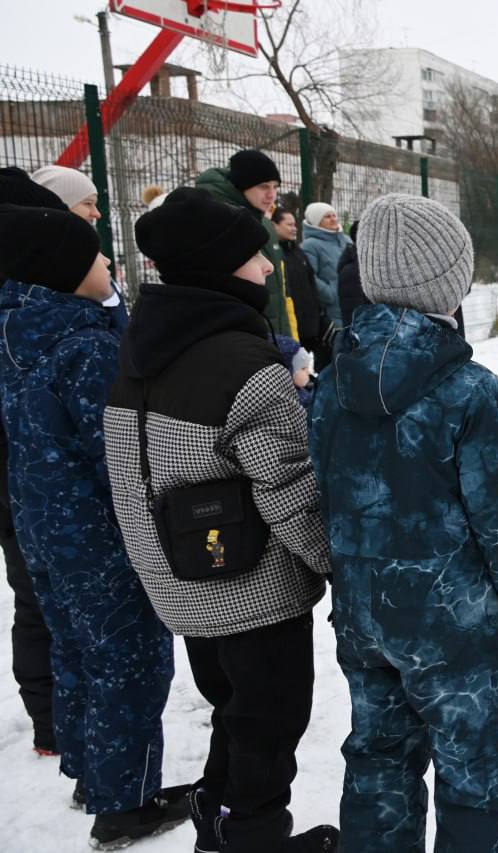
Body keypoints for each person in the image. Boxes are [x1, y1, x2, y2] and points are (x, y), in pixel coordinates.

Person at [310, 194, 498, 852]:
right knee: (473, 770)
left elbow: (324, 491)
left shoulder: (334, 381)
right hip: (457, 628)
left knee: (378, 759)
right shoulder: (469, 391)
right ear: (446, 281)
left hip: (366, 617)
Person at [104, 188, 339, 853]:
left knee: (233, 710)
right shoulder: (247, 368)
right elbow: (293, 494)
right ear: (217, 268)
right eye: (251, 257)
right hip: (254, 590)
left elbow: (127, 471)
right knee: (270, 721)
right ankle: (258, 836)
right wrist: (339, 561)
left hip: (181, 580)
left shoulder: (140, 353)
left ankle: (217, 816)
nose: (267, 269)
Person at [0, 204, 185, 848]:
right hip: (103, 537)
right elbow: (121, 455)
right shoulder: (85, 347)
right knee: (131, 663)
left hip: (42, 529)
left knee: (77, 652)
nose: (108, 263)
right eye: (93, 254)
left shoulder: (16, 335)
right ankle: (126, 804)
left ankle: (91, 774)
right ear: (59, 271)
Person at [0, 167, 64, 760]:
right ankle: (49, 720)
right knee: (37, 597)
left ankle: (52, 718)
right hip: (25, 480)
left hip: (25, 476)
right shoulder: (27, 314)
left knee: (35, 595)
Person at [196, 149, 297, 340]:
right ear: (242, 186)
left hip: (276, 338)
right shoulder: (218, 221)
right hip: (241, 340)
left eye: (275, 187)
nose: (272, 195)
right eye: (263, 187)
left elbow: (280, 291)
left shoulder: (265, 224)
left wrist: (289, 341)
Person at [32, 164, 129, 326]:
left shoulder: (79, 251)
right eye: (88, 203)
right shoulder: (50, 264)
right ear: (61, 205)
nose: (97, 213)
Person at [273, 208, 332, 369]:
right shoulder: (275, 254)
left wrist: (319, 314)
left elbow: (311, 285)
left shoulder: (297, 252)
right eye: (289, 224)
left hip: (310, 326)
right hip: (291, 326)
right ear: (274, 226)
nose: (294, 228)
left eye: (295, 224)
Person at [300, 202, 350, 337]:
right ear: (316, 221)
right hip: (331, 311)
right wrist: (330, 293)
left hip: (352, 304)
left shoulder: (347, 240)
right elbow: (308, 276)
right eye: (327, 217)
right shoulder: (310, 245)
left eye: (334, 215)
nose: (333, 219)